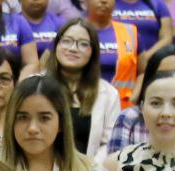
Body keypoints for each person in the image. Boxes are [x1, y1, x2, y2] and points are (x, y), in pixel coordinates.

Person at [40, 17, 120, 160]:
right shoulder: (34, 85)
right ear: (56, 45)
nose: (73, 49)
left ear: (93, 52)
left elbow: (109, 143)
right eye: (67, 41)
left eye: (83, 44)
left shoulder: (109, 94)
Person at [84, 0, 138, 107]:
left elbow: (143, 72)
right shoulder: (73, 30)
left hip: (122, 107)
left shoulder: (130, 31)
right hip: (83, 105)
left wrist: (134, 98)